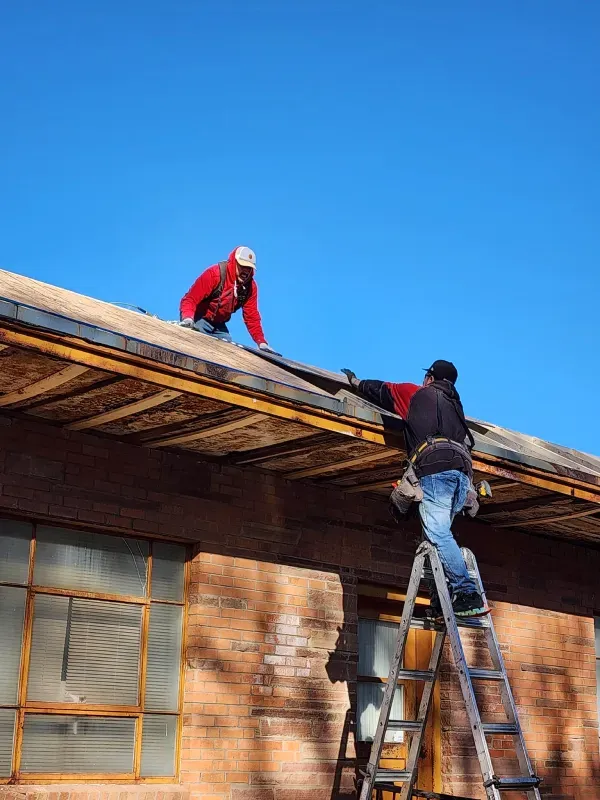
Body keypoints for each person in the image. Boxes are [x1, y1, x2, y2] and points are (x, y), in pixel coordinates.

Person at [342, 359, 488, 618]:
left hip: (436, 469)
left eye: (426, 377)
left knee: (438, 533)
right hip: (462, 475)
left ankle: (467, 593)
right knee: (432, 539)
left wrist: (356, 383)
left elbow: (383, 390)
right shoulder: (456, 408)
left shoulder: (417, 394)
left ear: (430, 378)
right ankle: (439, 603)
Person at [179, 246, 277, 352]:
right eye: (242, 266)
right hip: (199, 318)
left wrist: (261, 342)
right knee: (197, 348)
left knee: (227, 352)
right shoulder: (215, 274)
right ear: (234, 263)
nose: (245, 271)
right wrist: (188, 318)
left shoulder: (250, 287)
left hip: (219, 325)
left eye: (249, 268)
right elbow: (190, 299)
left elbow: (251, 316)